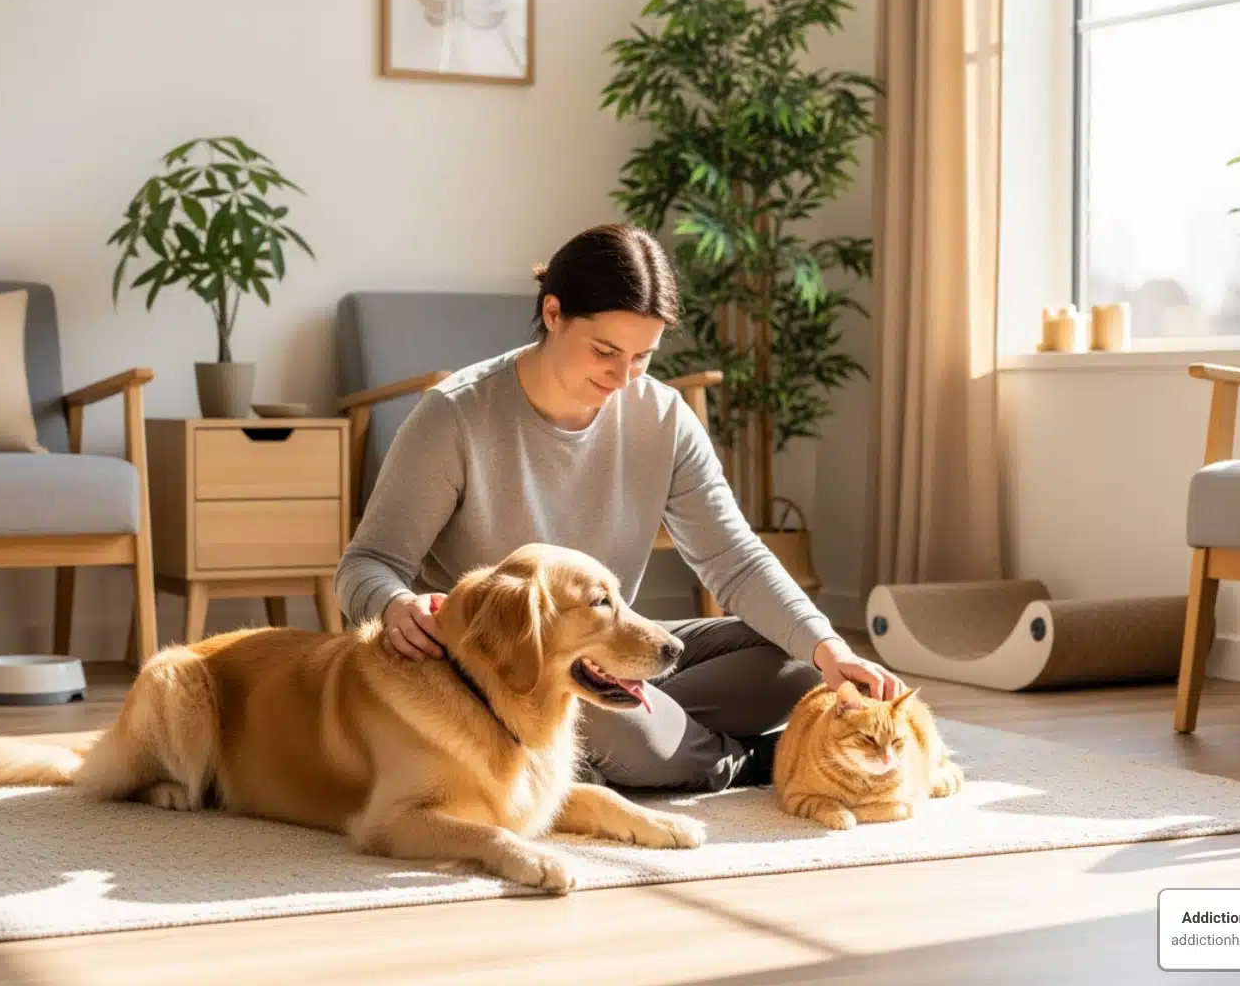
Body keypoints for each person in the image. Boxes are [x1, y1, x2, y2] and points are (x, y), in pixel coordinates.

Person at [335, 222, 904, 792]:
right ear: (553, 314)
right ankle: (746, 760)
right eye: (606, 351)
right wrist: (394, 605)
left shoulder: (664, 417)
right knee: (617, 733)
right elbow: (367, 562)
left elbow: (732, 557)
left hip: (612, 645)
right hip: (499, 673)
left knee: (800, 663)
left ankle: (641, 730)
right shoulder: (454, 416)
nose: (623, 376)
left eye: (643, 357)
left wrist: (827, 644)